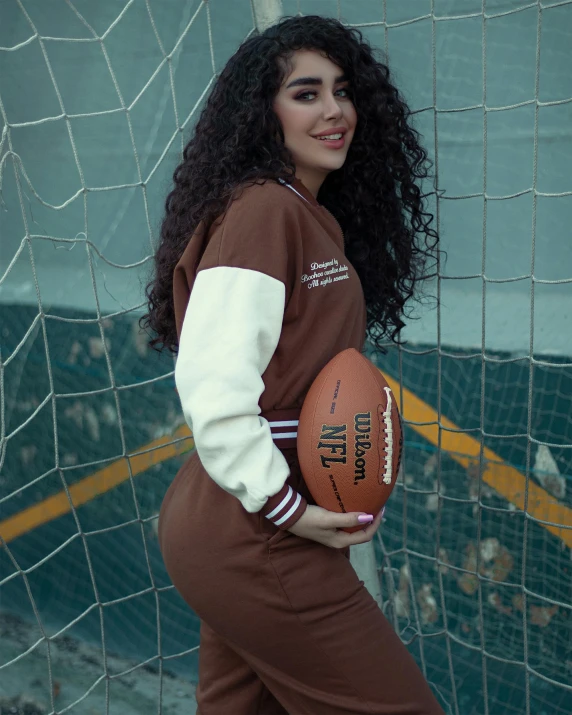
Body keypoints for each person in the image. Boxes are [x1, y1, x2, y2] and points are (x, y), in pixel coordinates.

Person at [141, 14, 444, 715]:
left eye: (342, 90)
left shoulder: (310, 216)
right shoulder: (262, 213)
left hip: (248, 525)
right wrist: (287, 508)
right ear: (262, 111)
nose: (335, 110)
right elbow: (214, 389)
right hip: (257, 529)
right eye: (306, 93)